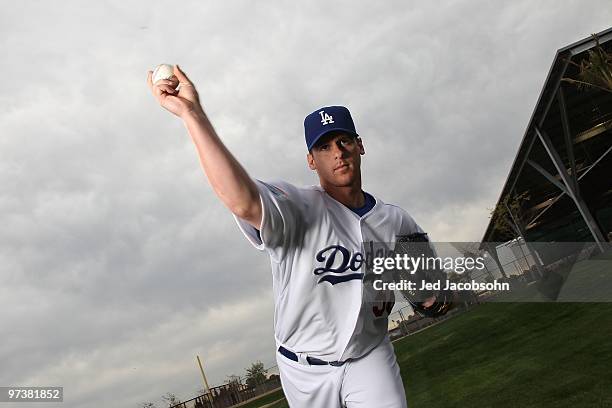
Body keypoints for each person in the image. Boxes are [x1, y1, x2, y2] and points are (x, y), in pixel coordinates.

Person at [147, 65, 449, 408]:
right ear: (311, 160)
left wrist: (433, 296)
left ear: (359, 146)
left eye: (343, 140)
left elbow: (432, 290)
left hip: (369, 355)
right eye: (324, 147)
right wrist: (192, 115)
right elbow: (242, 201)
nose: (337, 151)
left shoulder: (397, 221)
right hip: (304, 369)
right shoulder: (297, 208)